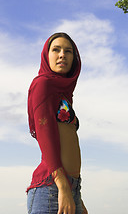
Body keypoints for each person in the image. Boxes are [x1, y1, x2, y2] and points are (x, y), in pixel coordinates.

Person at [26, 32, 88, 214]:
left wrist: (77, 196)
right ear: (47, 55)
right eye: (56, 50)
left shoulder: (65, 94)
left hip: (70, 188)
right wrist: (63, 187)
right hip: (52, 188)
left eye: (68, 51)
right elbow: (45, 134)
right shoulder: (42, 84)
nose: (62, 55)